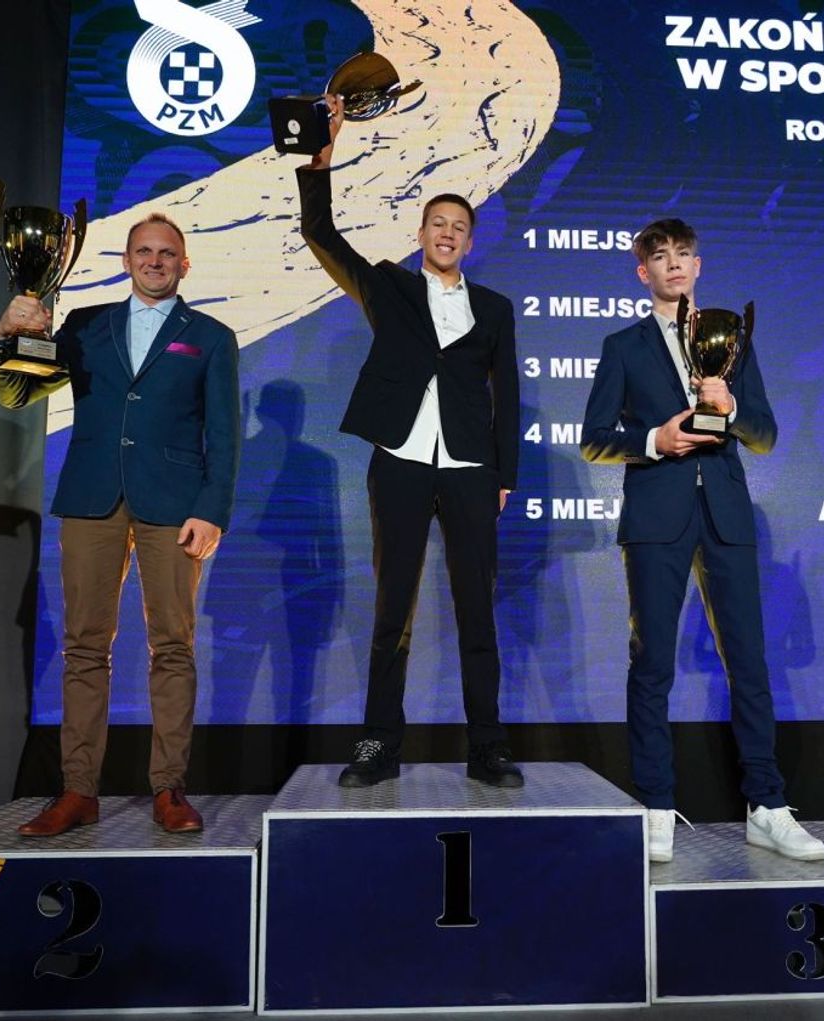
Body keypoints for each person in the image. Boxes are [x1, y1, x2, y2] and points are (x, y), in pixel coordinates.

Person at [580, 219, 824, 863]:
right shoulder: (623, 346)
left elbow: (765, 434)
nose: (674, 264)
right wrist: (655, 440)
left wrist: (732, 408)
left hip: (725, 514)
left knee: (748, 661)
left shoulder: (733, 339)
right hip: (655, 515)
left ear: (698, 265)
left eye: (684, 254)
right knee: (653, 662)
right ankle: (656, 806)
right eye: (660, 257)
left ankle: (767, 806)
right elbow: (593, 439)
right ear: (644, 273)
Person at [0, 212, 240, 835]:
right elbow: (16, 393)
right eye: (143, 252)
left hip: (175, 505)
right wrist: (4, 332)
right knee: (84, 646)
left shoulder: (211, 336)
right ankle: (78, 791)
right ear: (126, 261)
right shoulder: (84, 325)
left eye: (166, 253)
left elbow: (225, 434)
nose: (154, 261)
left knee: (173, 647)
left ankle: (170, 788)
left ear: (185, 264)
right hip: (91, 497)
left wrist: (211, 509)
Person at [297, 95, 522, 788]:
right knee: (392, 608)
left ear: (469, 242)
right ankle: (377, 743)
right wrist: (322, 160)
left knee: (477, 610)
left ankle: (487, 747)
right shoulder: (389, 287)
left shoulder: (494, 308)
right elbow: (321, 234)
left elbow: (507, 394)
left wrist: (504, 474)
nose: (448, 233)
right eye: (438, 223)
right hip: (398, 462)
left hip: (470, 469)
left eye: (459, 227)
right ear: (421, 232)